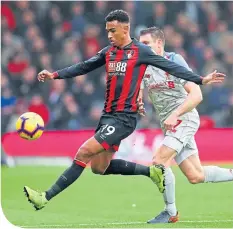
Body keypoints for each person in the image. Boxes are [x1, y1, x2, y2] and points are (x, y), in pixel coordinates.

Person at [23, 10, 225, 212]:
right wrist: (54, 75)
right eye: (107, 31)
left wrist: (201, 80)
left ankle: (44, 197)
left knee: (84, 152)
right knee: (98, 168)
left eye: (113, 30)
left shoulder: (141, 51)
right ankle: (151, 172)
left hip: (123, 119)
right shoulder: (109, 52)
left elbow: (172, 67)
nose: (109, 35)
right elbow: (84, 66)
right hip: (107, 117)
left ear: (125, 28)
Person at [138, 27, 233, 224]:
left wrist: (175, 114)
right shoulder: (143, 65)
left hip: (184, 118)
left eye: (146, 43)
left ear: (159, 44)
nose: (141, 47)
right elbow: (138, 86)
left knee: (159, 161)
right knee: (195, 175)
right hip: (171, 124)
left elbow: (196, 94)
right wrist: (138, 100)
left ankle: (170, 212)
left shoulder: (173, 61)